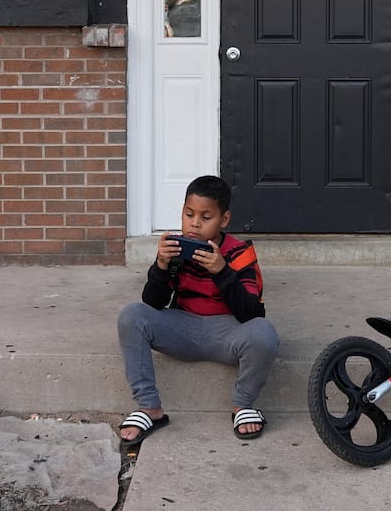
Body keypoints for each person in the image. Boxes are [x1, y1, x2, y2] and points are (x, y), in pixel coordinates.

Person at [116, 175, 280, 445]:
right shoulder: (177, 248)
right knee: (132, 315)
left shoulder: (240, 253)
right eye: (189, 214)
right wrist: (161, 265)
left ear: (224, 220)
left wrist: (222, 272)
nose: (194, 223)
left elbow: (252, 314)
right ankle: (149, 408)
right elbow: (153, 303)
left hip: (228, 333)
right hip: (183, 328)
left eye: (206, 217)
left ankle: (243, 406)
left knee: (264, 333)